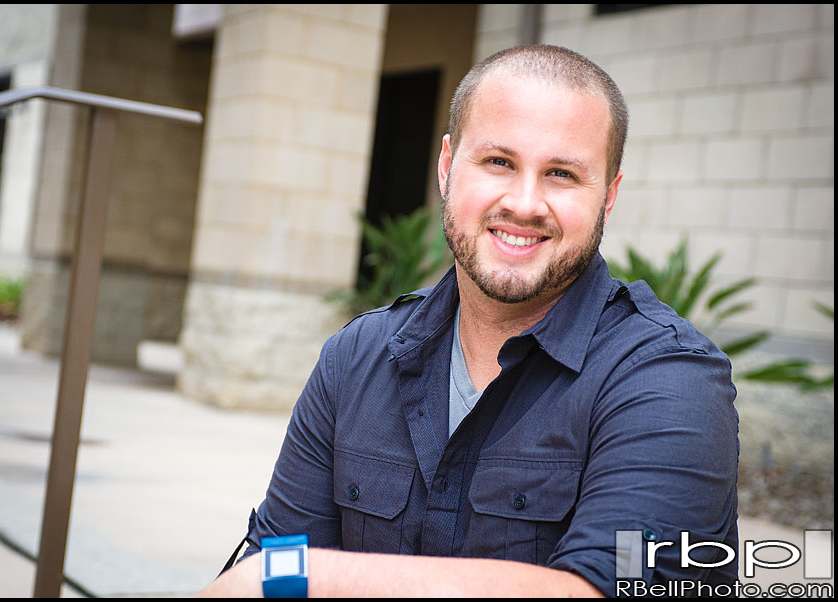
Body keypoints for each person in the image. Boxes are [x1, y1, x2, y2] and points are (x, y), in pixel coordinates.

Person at [200, 44, 739, 598]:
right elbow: (276, 558)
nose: (525, 203)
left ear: (609, 196)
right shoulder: (357, 357)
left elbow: (617, 588)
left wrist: (309, 578)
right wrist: (283, 576)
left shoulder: (670, 380)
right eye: (499, 162)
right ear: (446, 167)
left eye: (562, 173)